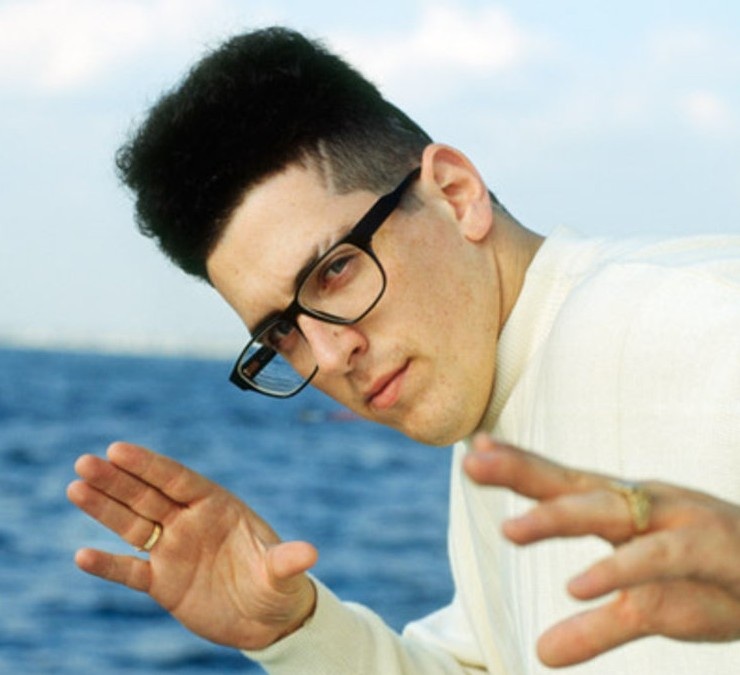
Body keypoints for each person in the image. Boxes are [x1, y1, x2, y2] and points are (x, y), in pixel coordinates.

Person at [66, 26, 740, 673]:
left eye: (335, 270)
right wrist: (292, 633)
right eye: (282, 332)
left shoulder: (704, 320)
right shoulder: (495, 410)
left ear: (455, 193)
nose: (331, 355)